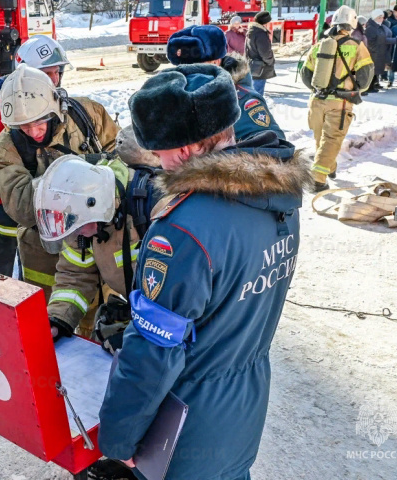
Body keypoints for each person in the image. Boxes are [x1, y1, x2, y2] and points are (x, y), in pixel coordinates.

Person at [97, 63, 307, 480]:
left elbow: (152, 354)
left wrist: (117, 439)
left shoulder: (182, 231)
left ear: (189, 149)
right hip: (243, 409)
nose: (155, 160)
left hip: (184, 429)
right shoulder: (276, 198)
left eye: (159, 149)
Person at [0, 65, 119, 337]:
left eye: (39, 122)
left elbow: (121, 161)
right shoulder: (6, 148)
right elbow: (22, 206)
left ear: (54, 108)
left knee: (104, 324)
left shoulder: (87, 115)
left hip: (103, 239)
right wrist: (86, 177)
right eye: (23, 126)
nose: (33, 132)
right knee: (51, 330)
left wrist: (58, 184)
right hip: (44, 254)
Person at [35, 132, 159, 350]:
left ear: (98, 208)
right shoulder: (80, 216)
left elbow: (180, 295)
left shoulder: (150, 211)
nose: (78, 235)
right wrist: (57, 320)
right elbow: (75, 276)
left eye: (80, 228)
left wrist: (144, 338)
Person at [0, 36, 72, 277]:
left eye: (57, 72)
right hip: (2, 207)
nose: (55, 79)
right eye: (48, 74)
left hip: (41, 205)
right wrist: (20, 169)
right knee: (1, 274)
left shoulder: (53, 104)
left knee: (36, 271)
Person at [167, 24, 285, 141]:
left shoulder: (241, 99)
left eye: (195, 66)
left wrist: (214, 158)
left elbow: (273, 147)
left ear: (216, 62)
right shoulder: (175, 95)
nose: (187, 73)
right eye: (182, 67)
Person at [301, 6, 373, 192]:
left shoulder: (318, 47)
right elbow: (365, 79)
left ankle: (330, 167)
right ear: (351, 25)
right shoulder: (357, 46)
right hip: (339, 103)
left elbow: (306, 76)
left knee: (320, 139)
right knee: (331, 140)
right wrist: (353, 88)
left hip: (316, 101)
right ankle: (317, 179)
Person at [245, 10, 276, 96]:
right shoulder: (261, 34)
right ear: (265, 23)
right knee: (258, 94)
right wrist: (271, 62)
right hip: (260, 68)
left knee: (252, 92)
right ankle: (256, 109)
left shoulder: (251, 31)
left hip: (252, 66)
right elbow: (265, 53)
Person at [365, 9, 395, 92]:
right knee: (372, 71)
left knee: (375, 71)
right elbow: (370, 42)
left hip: (378, 53)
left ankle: (373, 86)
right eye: (381, 17)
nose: (382, 19)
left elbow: (382, 39)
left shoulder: (378, 26)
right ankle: (369, 87)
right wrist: (376, 50)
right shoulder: (371, 28)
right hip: (373, 54)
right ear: (376, 18)